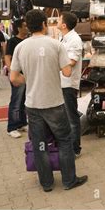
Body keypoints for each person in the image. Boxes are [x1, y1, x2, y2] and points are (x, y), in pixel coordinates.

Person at [10, 10, 87, 192]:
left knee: (40, 144)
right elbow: (67, 72)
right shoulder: (56, 45)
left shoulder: (20, 47)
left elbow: (13, 78)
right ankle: (69, 180)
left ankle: (46, 183)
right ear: (44, 24)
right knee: (64, 141)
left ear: (28, 26)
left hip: (32, 104)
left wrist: (30, 80)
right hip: (54, 102)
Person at [57, 12, 83, 157]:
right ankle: (69, 146)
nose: (57, 21)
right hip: (62, 82)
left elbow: (71, 62)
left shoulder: (74, 39)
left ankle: (75, 149)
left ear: (64, 25)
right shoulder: (64, 38)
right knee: (65, 117)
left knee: (72, 117)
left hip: (69, 84)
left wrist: (54, 65)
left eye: (59, 19)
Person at [4, 19, 29, 138]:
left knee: (24, 100)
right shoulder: (12, 41)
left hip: (28, 75)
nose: (27, 27)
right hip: (18, 75)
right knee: (16, 100)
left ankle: (22, 123)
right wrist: (11, 71)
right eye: (24, 26)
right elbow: (7, 57)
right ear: (19, 28)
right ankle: (12, 127)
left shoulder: (29, 40)